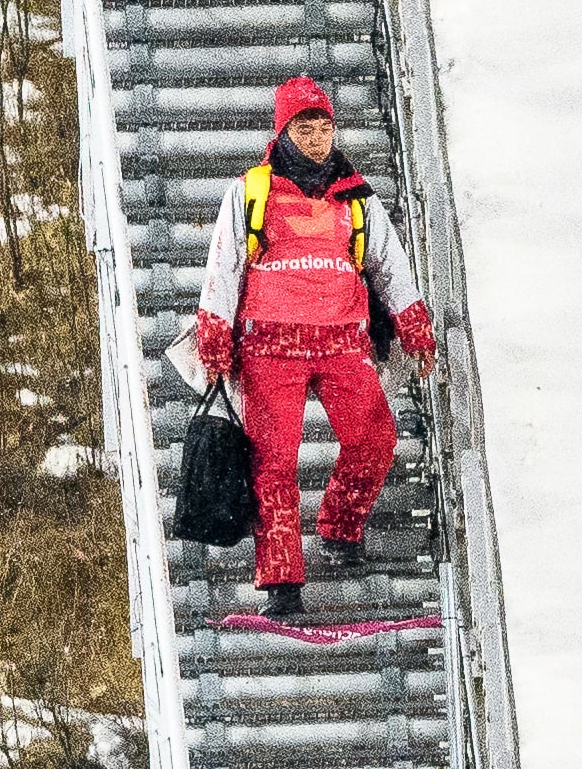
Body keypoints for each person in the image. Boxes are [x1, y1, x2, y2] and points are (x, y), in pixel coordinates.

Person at [184, 72, 434, 617]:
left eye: (324, 125)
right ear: (284, 131)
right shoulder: (249, 193)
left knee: (375, 439)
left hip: (343, 343)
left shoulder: (358, 199)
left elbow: (388, 266)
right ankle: (281, 583)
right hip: (269, 349)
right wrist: (214, 336)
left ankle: (341, 528)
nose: (318, 136)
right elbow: (223, 269)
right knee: (273, 466)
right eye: (305, 126)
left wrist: (413, 322)